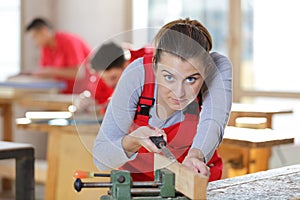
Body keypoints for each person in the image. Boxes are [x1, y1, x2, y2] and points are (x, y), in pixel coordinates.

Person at [93, 18, 232, 182]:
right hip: (142, 185)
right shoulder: (137, 73)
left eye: (191, 79)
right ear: (154, 65)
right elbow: (101, 158)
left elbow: (213, 122)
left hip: (195, 181)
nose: (179, 93)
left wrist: (195, 156)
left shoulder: (217, 66)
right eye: (169, 77)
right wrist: (133, 141)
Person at [26, 18, 91, 94]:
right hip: (67, 91)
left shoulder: (69, 41)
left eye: (34, 37)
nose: (35, 42)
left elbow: (79, 73)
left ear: (44, 31)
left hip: (88, 91)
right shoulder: (45, 47)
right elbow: (45, 71)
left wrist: (50, 71)